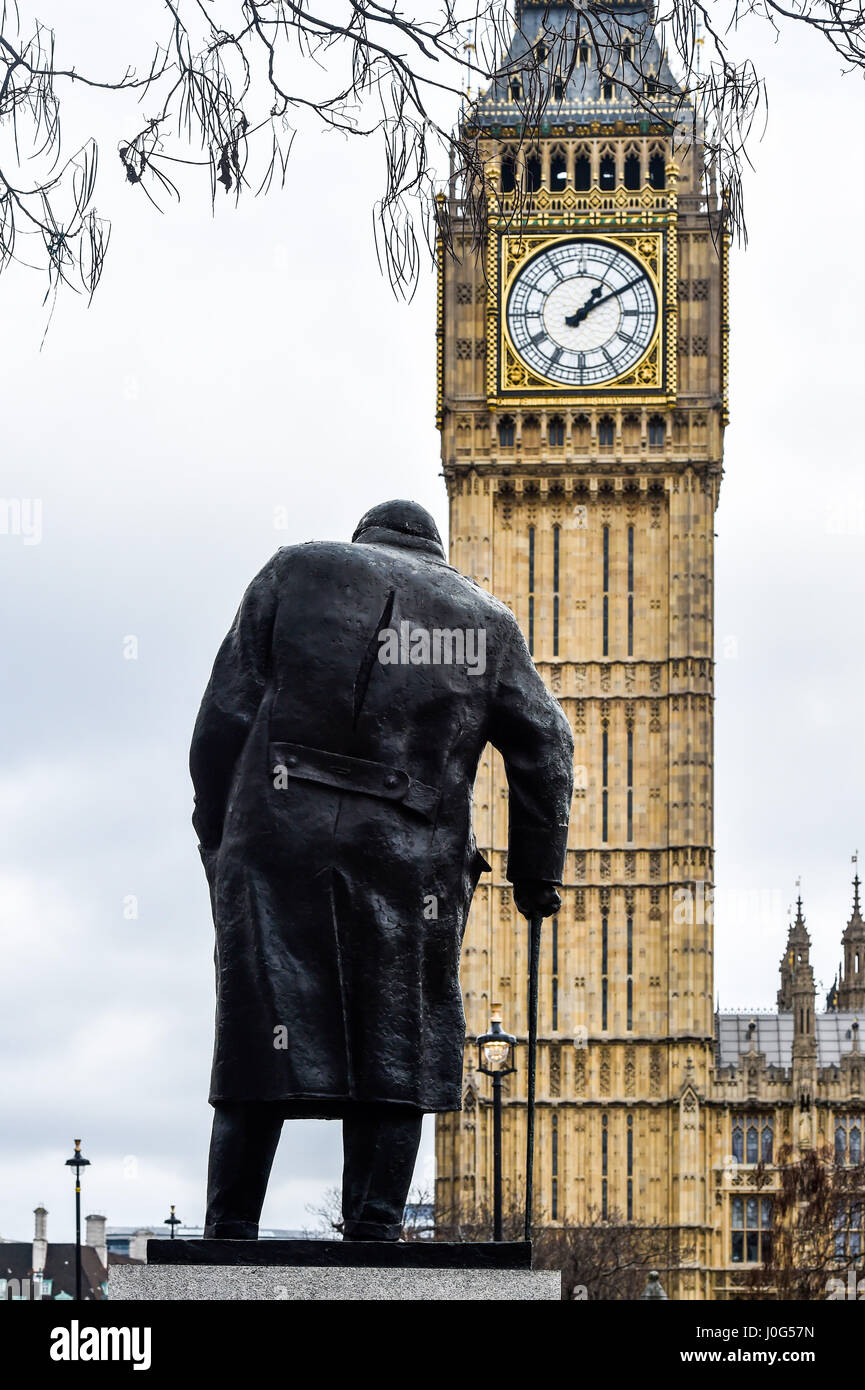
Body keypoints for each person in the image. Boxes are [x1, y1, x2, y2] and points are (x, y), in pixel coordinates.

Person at [190, 499, 573, 1240]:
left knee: (257, 1035)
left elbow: (222, 718)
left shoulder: (294, 568)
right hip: (410, 855)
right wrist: (536, 875)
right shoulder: (486, 622)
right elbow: (548, 746)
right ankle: (374, 1230)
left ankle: (229, 1231)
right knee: (399, 1039)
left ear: (365, 537)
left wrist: (218, 828)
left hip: (275, 840)